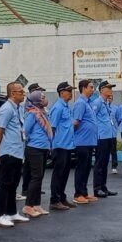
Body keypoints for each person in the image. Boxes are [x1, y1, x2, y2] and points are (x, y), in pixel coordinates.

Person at [0, 81, 30, 226]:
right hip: (8, 151)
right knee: (5, 184)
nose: (23, 94)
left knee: (14, 184)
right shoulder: (6, 109)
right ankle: (0, 215)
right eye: (21, 92)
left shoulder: (18, 108)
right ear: (13, 93)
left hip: (17, 151)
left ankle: (12, 212)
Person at [22, 90, 52, 217]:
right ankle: (28, 206)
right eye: (43, 97)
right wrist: (34, 140)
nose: (45, 99)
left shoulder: (43, 113)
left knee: (39, 177)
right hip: (34, 148)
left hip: (43, 148)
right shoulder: (32, 114)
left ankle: (37, 205)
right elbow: (26, 131)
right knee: (35, 177)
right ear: (37, 100)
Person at [47, 82, 76, 211]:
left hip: (68, 145)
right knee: (58, 174)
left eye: (71, 90)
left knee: (64, 174)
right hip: (59, 146)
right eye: (68, 91)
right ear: (61, 92)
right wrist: (51, 146)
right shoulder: (57, 108)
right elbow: (51, 128)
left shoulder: (66, 107)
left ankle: (62, 197)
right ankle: (54, 200)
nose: (71, 93)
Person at [89, 81, 119, 197]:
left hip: (108, 136)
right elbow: (92, 118)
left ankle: (103, 186)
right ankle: (97, 188)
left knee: (105, 162)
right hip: (101, 137)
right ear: (101, 90)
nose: (110, 90)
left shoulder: (106, 103)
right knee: (99, 163)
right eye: (108, 88)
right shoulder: (97, 102)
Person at [72, 79, 98, 204]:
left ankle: (84, 192)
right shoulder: (80, 103)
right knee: (81, 168)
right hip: (81, 141)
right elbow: (76, 122)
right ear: (83, 88)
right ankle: (78, 194)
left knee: (87, 167)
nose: (93, 90)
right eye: (91, 87)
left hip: (89, 141)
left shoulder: (88, 103)